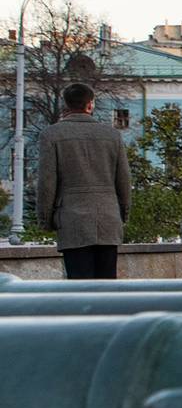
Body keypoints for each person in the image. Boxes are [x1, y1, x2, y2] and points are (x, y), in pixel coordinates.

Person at [35, 82, 131, 280]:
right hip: (108, 219)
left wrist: (45, 219)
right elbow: (123, 180)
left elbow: (47, 182)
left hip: (72, 221)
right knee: (107, 287)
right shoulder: (112, 135)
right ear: (90, 105)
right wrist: (123, 214)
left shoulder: (51, 135)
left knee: (79, 287)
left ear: (66, 105)